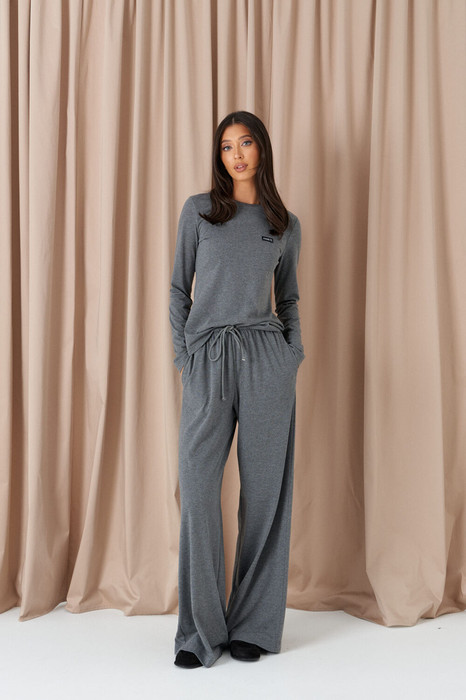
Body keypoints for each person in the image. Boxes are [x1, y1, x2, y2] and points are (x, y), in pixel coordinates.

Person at [168, 110, 305, 668]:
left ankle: (253, 625)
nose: (237, 155)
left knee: (265, 495)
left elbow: (288, 297)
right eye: (227, 147)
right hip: (208, 359)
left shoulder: (284, 223)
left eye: (246, 143)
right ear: (219, 156)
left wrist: (292, 354)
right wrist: (185, 356)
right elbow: (177, 289)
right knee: (199, 489)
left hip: (266, 361)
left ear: (261, 149)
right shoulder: (199, 211)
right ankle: (200, 633)